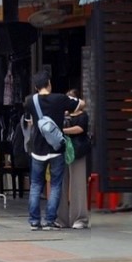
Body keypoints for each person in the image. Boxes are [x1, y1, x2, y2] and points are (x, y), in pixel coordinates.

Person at [25, 72, 79, 231]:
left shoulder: (30, 100)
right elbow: (80, 104)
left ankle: (34, 222)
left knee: (35, 185)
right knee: (55, 185)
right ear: (49, 84)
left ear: (35, 87)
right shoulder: (60, 99)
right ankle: (49, 221)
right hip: (56, 148)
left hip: (38, 149)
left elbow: (30, 123)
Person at [59, 90, 92, 229]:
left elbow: (80, 129)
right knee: (61, 183)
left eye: (72, 99)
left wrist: (63, 130)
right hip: (64, 149)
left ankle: (80, 218)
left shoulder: (83, 116)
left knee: (78, 184)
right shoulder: (63, 115)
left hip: (78, 150)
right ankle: (61, 219)